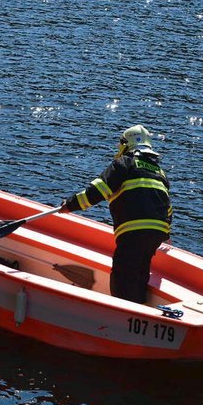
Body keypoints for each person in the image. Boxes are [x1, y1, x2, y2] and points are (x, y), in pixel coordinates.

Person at [59, 125, 172, 303]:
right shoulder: (160, 172)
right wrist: (166, 234)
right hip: (157, 232)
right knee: (140, 271)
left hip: (134, 231)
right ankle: (139, 307)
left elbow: (97, 190)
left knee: (123, 275)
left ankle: (123, 313)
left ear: (126, 145)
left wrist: (70, 205)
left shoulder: (123, 164)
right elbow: (166, 205)